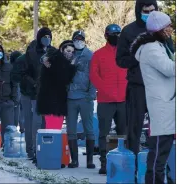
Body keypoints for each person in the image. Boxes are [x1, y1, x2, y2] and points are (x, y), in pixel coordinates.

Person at [131, 11, 175, 184]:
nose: (170, 29)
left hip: (167, 103)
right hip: (161, 106)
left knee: (163, 151)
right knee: (158, 152)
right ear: (159, 29)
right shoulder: (150, 49)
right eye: (168, 26)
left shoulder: (159, 45)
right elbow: (170, 69)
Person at [12, 27, 54, 163]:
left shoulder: (52, 53)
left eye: (49, 37)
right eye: (44, 37)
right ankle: (33, 150)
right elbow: (17, 75)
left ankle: (37, 149)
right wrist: (33, 83)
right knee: (32, 122)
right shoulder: (29, 55)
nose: (47, 39)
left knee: (41, 122)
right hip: (29, 93)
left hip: (44, 93)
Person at [90, 24, 127, 174]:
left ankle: (123, 161)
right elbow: (93, 75)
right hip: (105, 100)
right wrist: (105, 90)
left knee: (122, 132)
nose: (116, 37)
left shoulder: (126, 54)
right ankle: (104, 163)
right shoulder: (98, 54)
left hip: (123, 99)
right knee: (104, 133)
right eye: (113, 34)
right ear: (106, 36)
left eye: (119, 34)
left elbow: (132, 73)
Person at [67, 30, 96, 169]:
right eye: (76, 38)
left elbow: (94, 76)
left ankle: (90, 160)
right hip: (70, 98)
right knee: (71, 129)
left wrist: (90, 95)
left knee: (89, 128)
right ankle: (74, 160)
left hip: (85, 97)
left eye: (81, 38)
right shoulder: (67, 53)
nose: (79, 40)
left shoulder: (90, 55)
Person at [37, 40, 77, 129]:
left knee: (54, 129)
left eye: (72, 52)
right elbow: (63, 79)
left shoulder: (59, 61)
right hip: (53, 102)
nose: (70, 54)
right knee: (53, 130)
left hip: (55, 101)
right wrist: (72, 67)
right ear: (62, 50)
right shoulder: (56, 62)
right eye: (68, 51)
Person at [9, 51, 24, 133]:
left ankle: (19, 130)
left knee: (15, 117)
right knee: (17, 116)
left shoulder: (12, 68)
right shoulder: (14, 69)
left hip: (17, 97)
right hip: (15, 97)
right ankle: (22, 130)